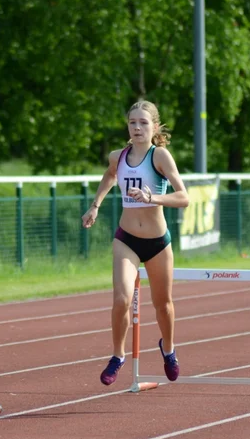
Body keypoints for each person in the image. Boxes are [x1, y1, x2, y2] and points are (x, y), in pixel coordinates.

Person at [81, 100, 189, 386]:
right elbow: (109, 176)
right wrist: (95, 206)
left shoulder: (160, 157)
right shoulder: (119, 156)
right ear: (127, 126)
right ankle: (118, 355)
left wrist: (153, 198)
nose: (137, 127)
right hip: (126, 239)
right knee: (121, 299)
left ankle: (168, 349)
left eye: (143, 122)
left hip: (157, 242)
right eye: (132, 123)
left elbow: (184, 198)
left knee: (162, 304)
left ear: (154, 127)